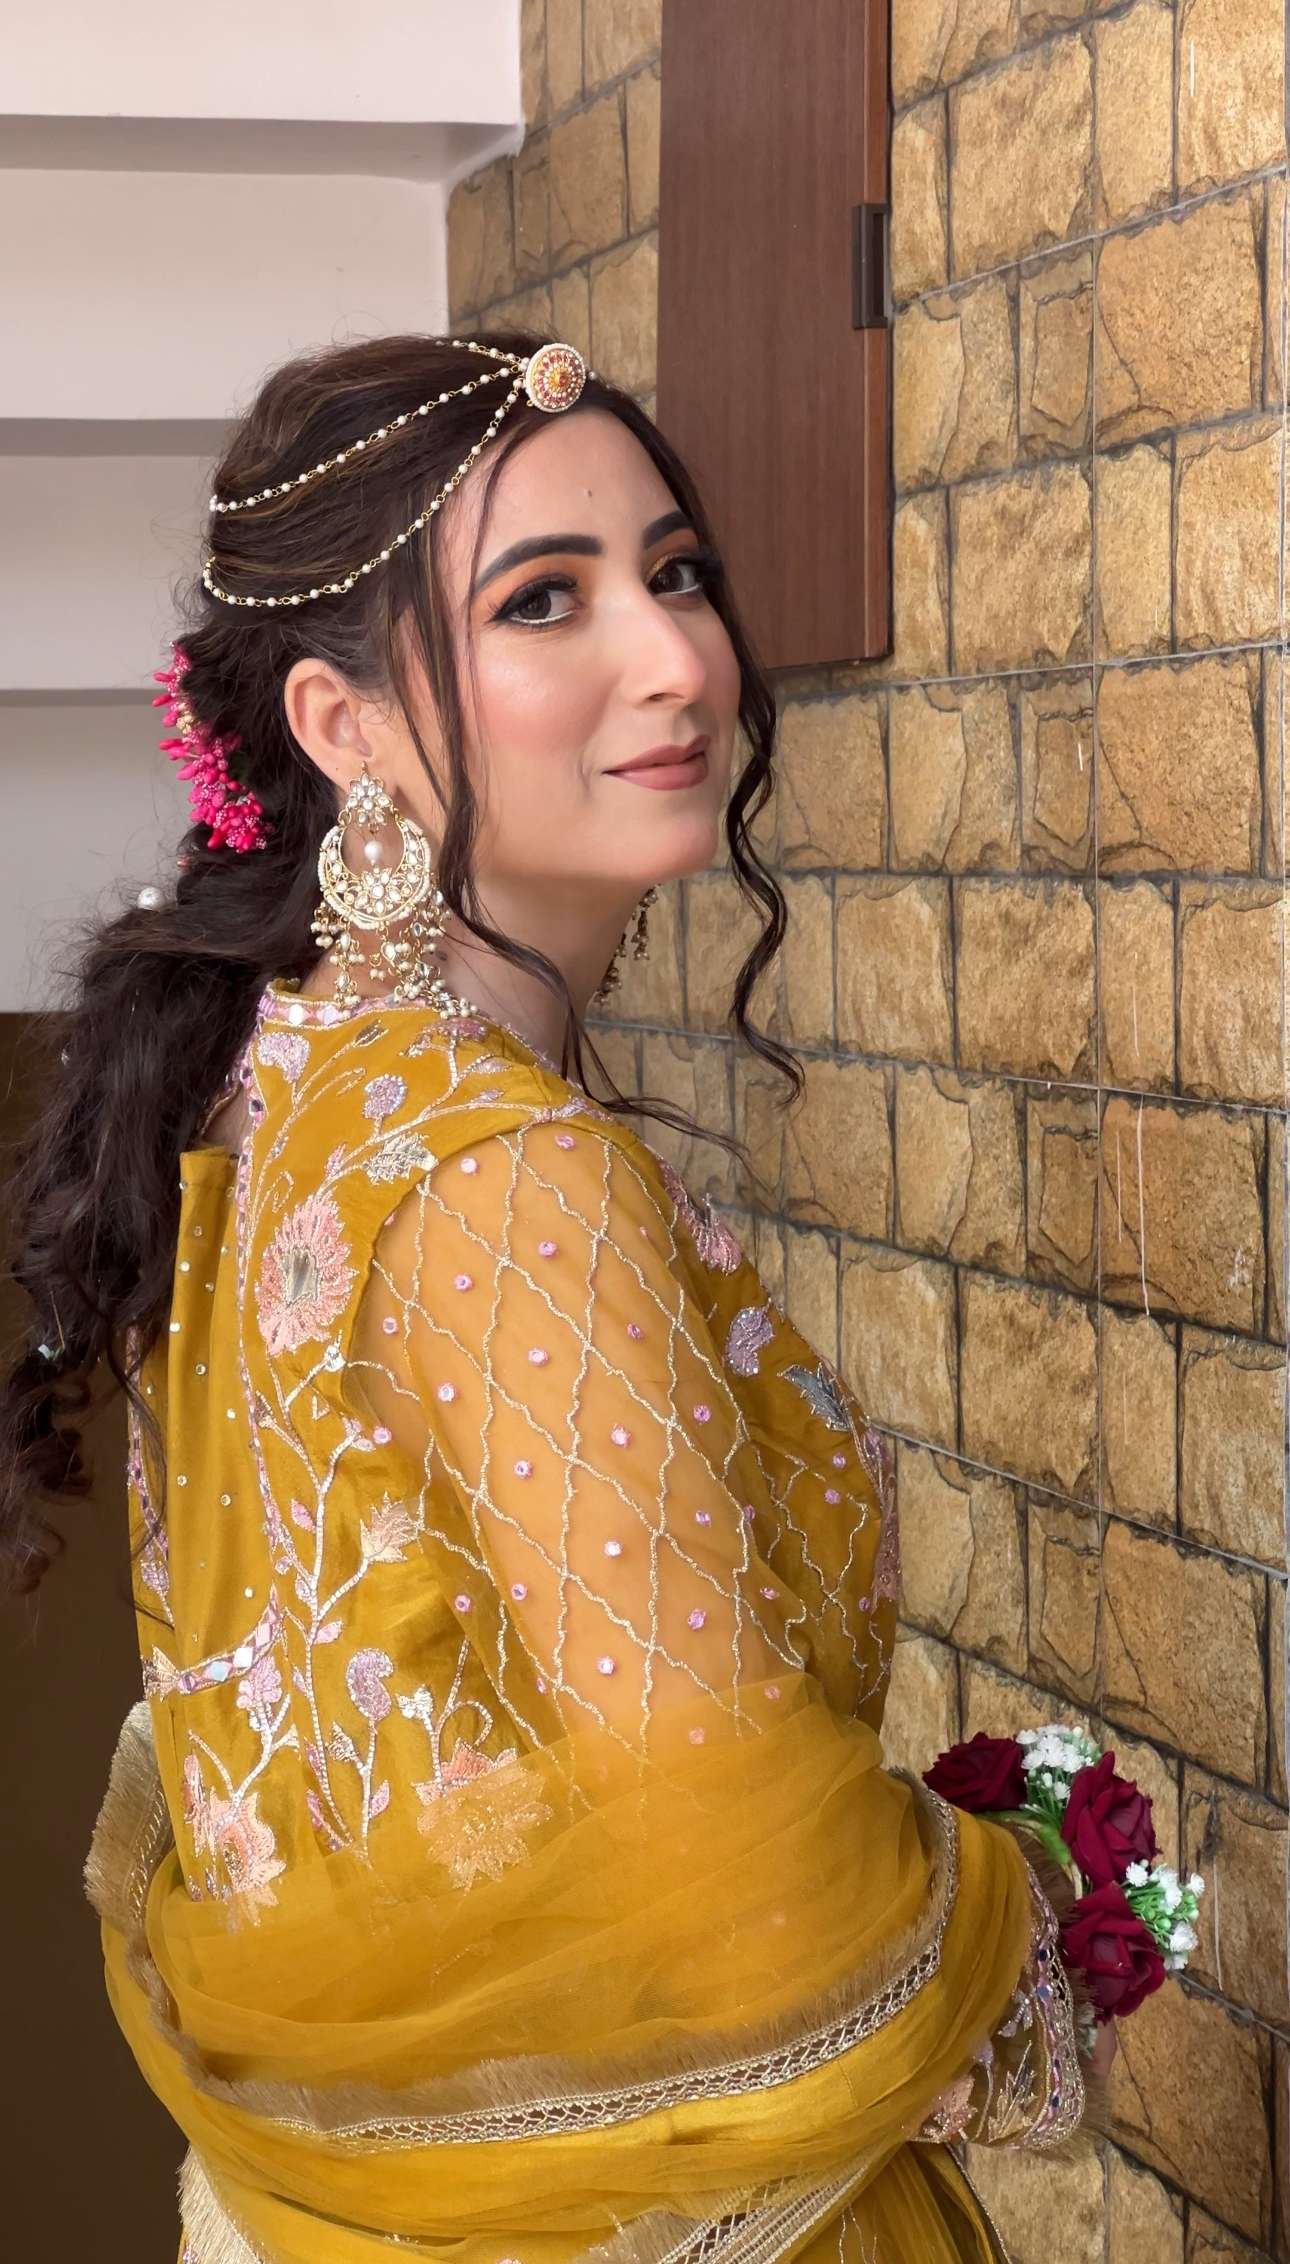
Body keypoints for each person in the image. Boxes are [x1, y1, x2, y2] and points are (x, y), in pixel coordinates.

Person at [0, 331, 1112, 2264]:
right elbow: (753, 1903)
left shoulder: (270, 1086)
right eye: (543, 600)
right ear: (341, 726)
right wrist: (1031, 1918)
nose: (675, 659)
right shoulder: (504, 1174)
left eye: (675, 573)